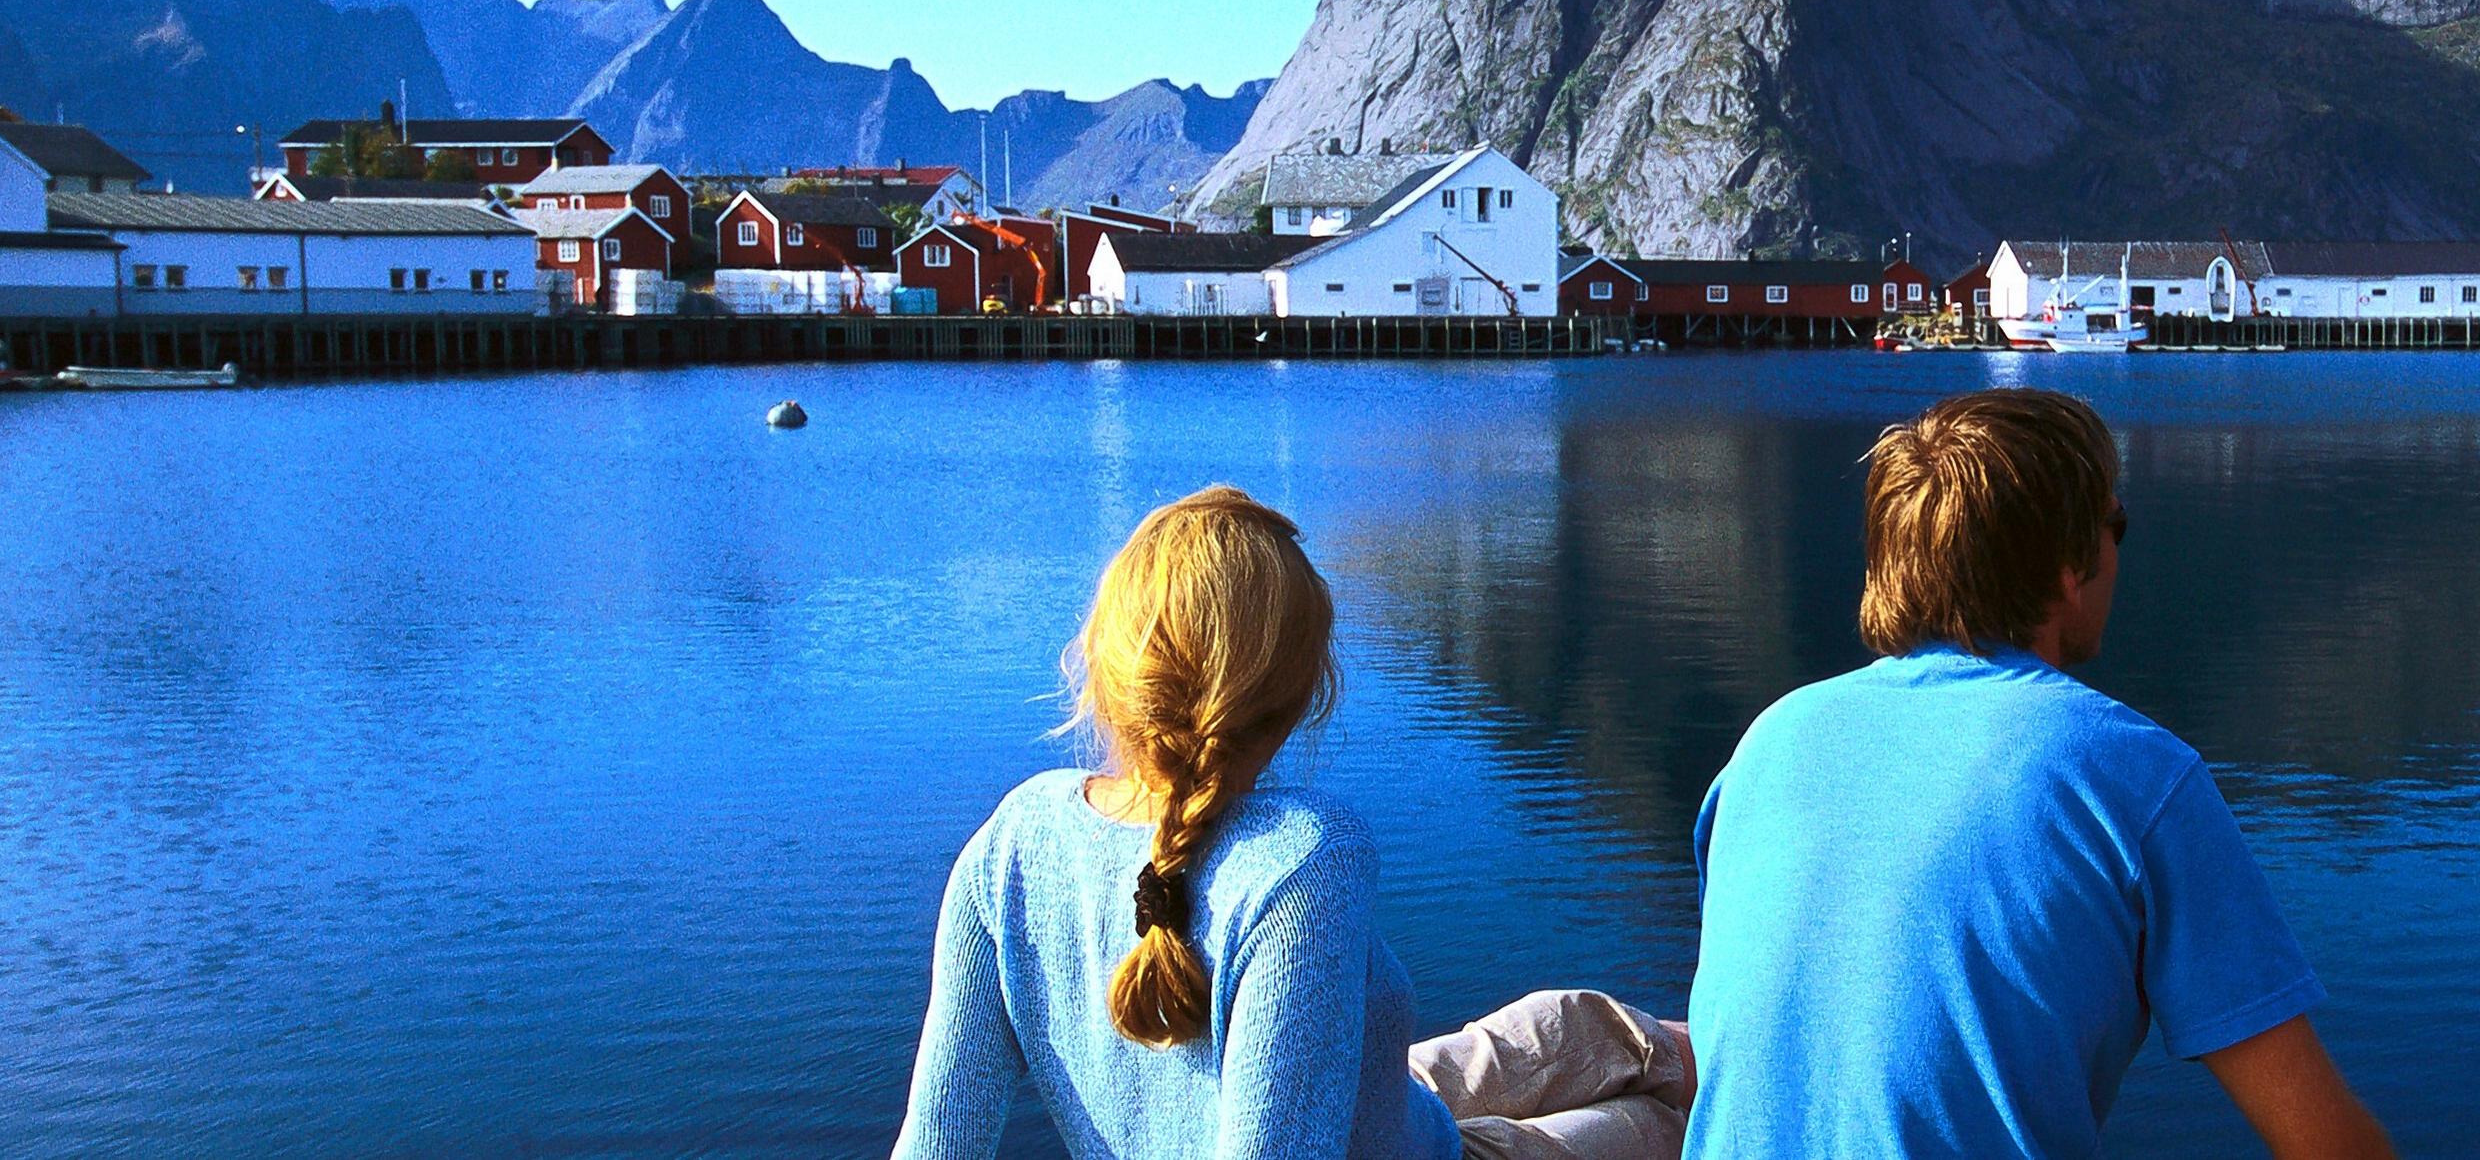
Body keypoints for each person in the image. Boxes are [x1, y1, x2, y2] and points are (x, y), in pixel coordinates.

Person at [1686, 389, 2398, 1159]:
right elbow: (2325, 1142)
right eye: (2114, 525)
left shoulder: (1768, 744)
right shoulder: (2134, 775)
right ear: (2070, 566)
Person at [894, 487, 1691, 1160]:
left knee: (1592, 1025)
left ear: (1103, 663)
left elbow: (938, 1139)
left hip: (1392, 1100)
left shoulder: (1013, 840)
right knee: (1663, 1124)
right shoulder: (1301, 861)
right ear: (1299, 696)